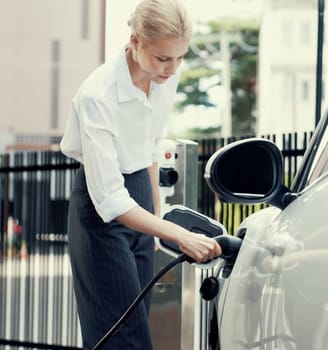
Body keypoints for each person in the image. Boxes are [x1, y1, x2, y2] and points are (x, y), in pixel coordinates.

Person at [60, 0, 221, 348]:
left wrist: (156, 219)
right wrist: (178, 234)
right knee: (123, 340)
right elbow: (111, 200)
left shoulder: (164, 79)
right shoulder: (97, 96)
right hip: (102, 209)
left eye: (180, 57)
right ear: (135, 41)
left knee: (136, 326)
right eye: (163, 58)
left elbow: (150, 148)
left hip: (140, 201)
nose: (172, 68)